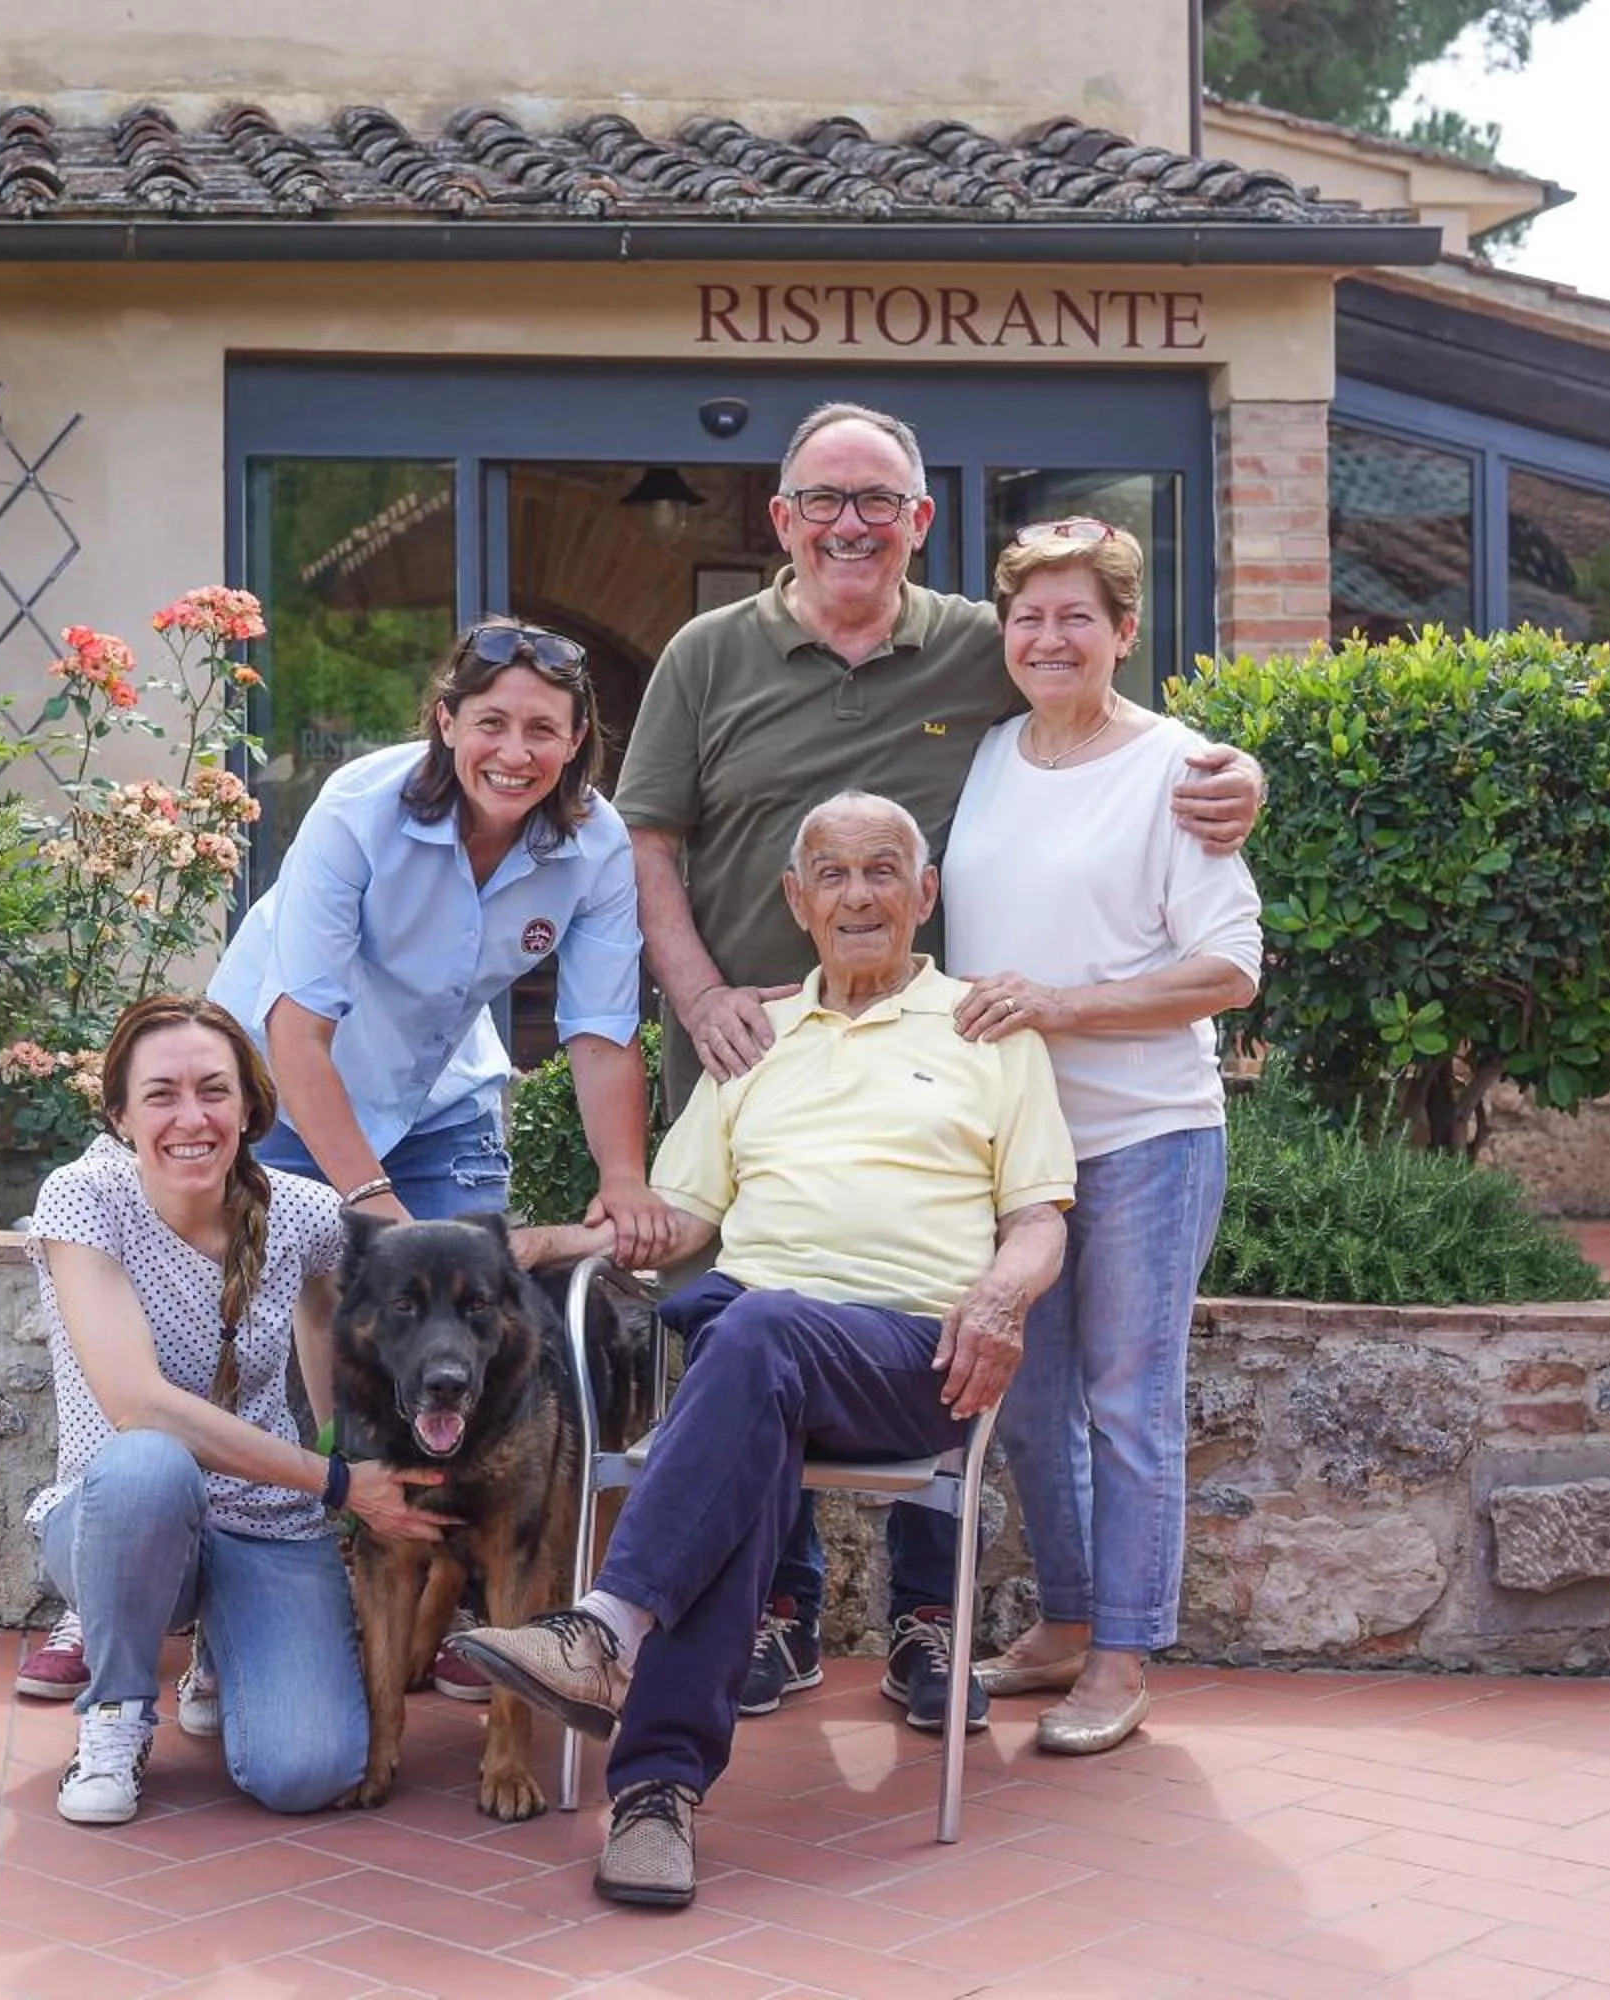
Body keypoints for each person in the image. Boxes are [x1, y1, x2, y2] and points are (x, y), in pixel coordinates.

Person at [612, 400, 1262, 1730]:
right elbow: (648, 844)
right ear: (781, 518)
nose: (851, 525)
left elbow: (1117, 724)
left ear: (919, 523)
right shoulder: (713, 655)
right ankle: (778, 1618)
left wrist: (1235, 772)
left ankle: (951, 1628)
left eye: (880, 503)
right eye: (822, 501)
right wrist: (692, 1000)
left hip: (967, 1099)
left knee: (967, 1343)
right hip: (759, 1072)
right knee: (761, 1336)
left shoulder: (981, 647)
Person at [454, 792, 1074, 1909]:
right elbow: (676, 1219)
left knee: (750, 1327)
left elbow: (1040, 1215)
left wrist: (1003, 1293)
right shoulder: (756, 1037)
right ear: (797, 901)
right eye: (831, 875)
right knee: (746, 1366)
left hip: (910, 1356)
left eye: (884, 869)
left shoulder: (986, 1026)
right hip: (761, 1357)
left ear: (925, 893)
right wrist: (544, 1240)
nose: (859, 895)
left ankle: (605, 1629)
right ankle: (653, 1798)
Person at [209, 617, 678, 1700]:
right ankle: (273, 1583)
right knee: (301, 1314)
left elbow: (602, 1030)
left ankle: (451, 1611)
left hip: (440, 1084)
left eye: (544, 730)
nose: (515, 750)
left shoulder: (595, 843)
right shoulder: (362, 808)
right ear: (446, 722)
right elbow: (299, 1028)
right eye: (493, 722)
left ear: (578, 741)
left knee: (472, 1310)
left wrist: (623, 1178)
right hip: (284, 1079)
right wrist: (365, 1202)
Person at [945, 518, 1261, 1755]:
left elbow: (1231, 967)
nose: (1049, 636)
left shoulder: (1178, 767)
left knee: (1129, 1403)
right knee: (1024, 1394)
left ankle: (1123, 1654)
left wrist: (1061, 1004)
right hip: (1015, 1148)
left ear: (1126, 632)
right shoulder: (987, 754)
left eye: (1078, 615)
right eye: (1028, 616)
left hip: (1144, 1137)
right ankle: (1067, 1618)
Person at [22, 995, 443, 1827]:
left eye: (214, 1091)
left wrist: (350, 1452)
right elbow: (138, 1404)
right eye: (161, 1095)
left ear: (249, 1106)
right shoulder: (83, 1198)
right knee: (149, 1462)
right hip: (118, 1519)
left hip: (266, 1520)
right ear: (118, 1115)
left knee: (307, 1772)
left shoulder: (303, 1212)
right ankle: (115, 1716)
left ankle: (222, 1651)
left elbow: (340, 1319)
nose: (192, 1117)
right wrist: (337, 1482)